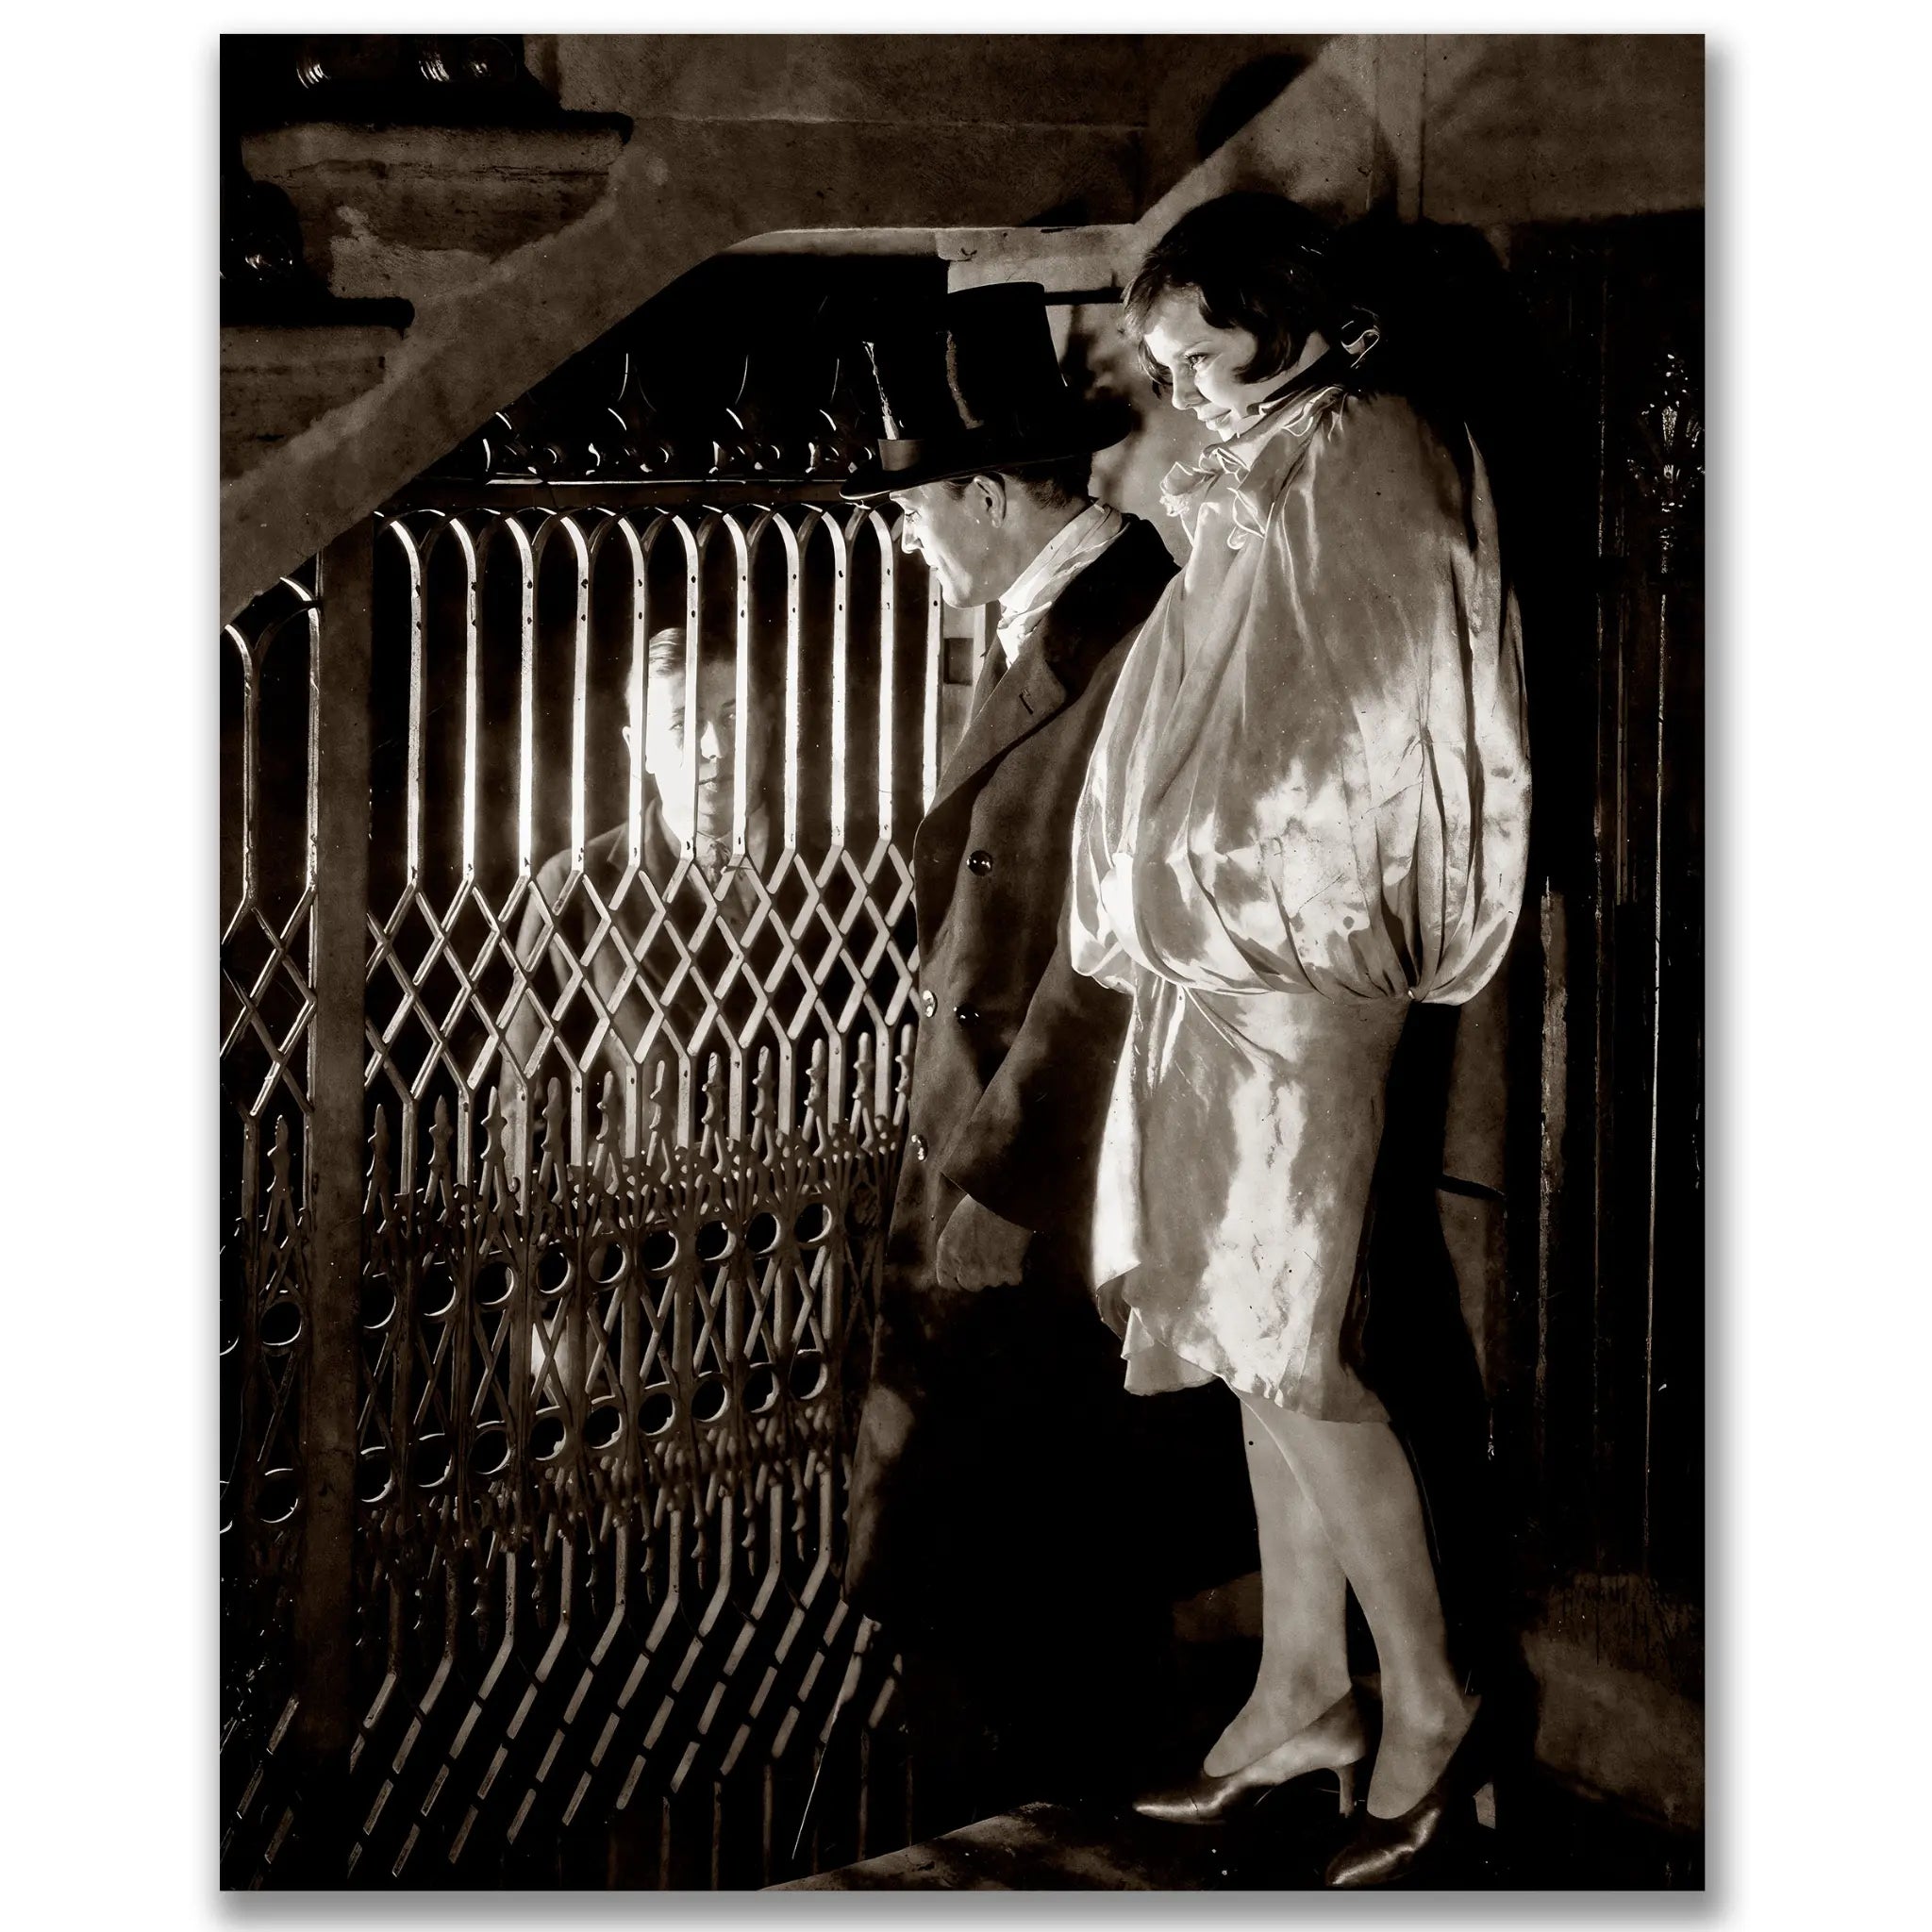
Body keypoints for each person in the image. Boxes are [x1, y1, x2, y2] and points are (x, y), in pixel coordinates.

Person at [1067, 193, 1532, 1886]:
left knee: (1295, 1344)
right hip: (1216, 962)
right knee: (1238, 1333)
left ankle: (1427, 1697)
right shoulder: (1267, 456)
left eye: (1198, 342)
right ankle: (1298, 1683)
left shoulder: (1369, 445)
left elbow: (1358, 719)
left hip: (1286, 962)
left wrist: (1215, 893)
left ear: (1299, 322)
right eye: (1164, 346)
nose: (1173, 373)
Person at [840, 282, 1253, 1825]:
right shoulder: (1056, 620)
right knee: (1004, 1578)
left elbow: (1113, 958)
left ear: (995, 496)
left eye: (911, 509)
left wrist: (1000, 1183)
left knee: (1025, 1591)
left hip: (1054, 1188)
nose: (905, 542)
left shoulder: (1131, 634)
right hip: (1002, 1166)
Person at [503, 615, 779, 1157]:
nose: (716, 748)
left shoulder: (841, 877)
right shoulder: (571, 889)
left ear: (767, 723)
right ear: (641, 746)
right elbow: (526, 1115)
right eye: (682, 723)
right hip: (634, 1228)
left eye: (734, 717)